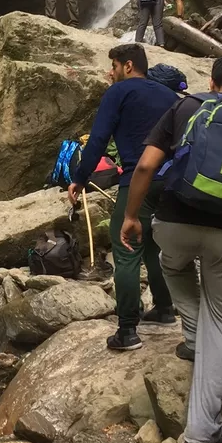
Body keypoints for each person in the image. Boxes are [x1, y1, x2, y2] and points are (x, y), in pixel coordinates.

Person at [120, 54, 222, 443]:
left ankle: (193, 331)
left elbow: (145, 167)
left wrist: (131, 216)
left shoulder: (186, 106)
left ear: (211, 82)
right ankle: (201, 431)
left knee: (171, 263)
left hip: (174, 224)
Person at [68, 43, 179, 352]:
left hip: (138, 181)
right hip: (172, 183)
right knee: (155, 246)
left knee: (127, 247)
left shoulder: (119, 93)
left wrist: (79, 179)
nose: (110, 73)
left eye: (114, 66)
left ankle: (127, 330)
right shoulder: (170, 96)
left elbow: (98, 139)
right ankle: (165, 308)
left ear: (128, 66)